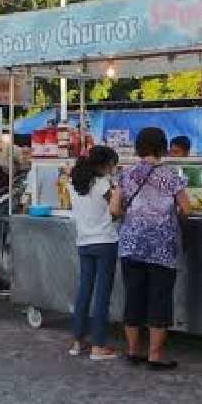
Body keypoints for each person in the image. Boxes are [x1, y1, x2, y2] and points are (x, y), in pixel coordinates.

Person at [109, 127, 191, 370]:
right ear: (163, 147)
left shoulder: (126, 173)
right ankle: (154, 355)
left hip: (131, 245)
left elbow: (114, 210)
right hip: (161, 248)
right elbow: (187, 209)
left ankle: (133, 351)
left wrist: (132, 217)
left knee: (133, 297)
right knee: (159, 299)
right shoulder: (171, 176)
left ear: (138, 147)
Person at [68, 145, 121, 361]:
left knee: (84, 292)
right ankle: (98, 346)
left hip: (84, 243)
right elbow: (116, 211)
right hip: (105, 242)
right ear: (104, 164)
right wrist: (118, 195)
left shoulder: (75, 184)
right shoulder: (102, 184)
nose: (112, 169)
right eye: (112, 165)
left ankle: (77, 342)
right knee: (102, 295)